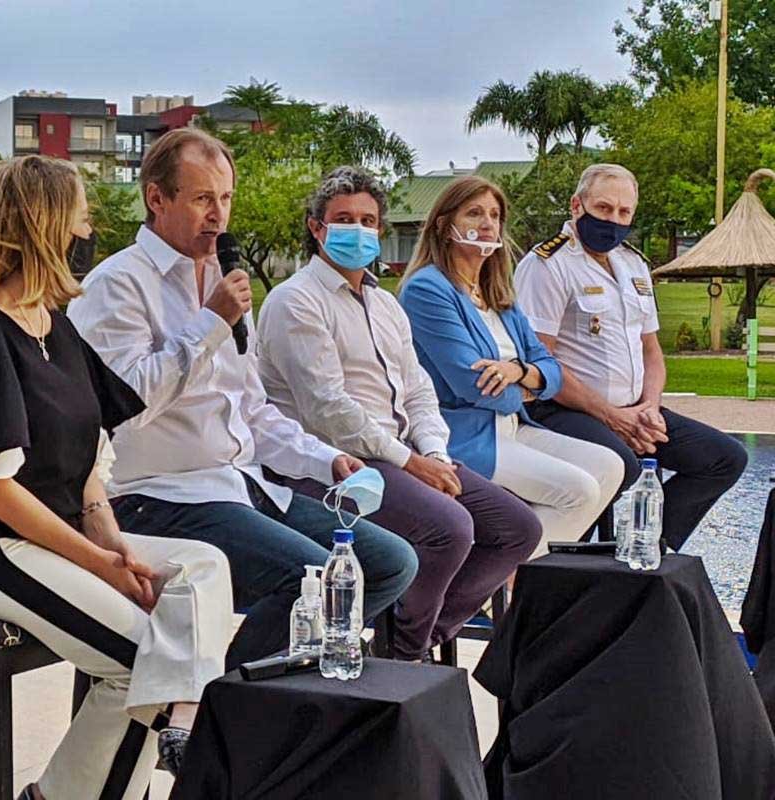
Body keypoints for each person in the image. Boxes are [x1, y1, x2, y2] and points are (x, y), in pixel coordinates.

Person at [0, 155, 233, 799]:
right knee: (143, 658)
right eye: (79, 212)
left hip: (53, 540)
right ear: (45, 224)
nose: (88, 225)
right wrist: (96, 561)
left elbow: (89, 459)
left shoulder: (53, 325)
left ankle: (169, 728)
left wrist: (111, 539)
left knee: (203, 568)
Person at [68, 128, 417, 669]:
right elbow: (128, 405)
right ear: (157, 199)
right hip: (160, 496)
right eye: (203, 198)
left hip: (239, 484)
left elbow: (251, 409)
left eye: (225, 198)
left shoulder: (225, 281)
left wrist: (326, 460)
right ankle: (220, 711)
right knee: (314, 577)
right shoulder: (117, 284)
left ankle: (278, 689)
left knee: (389, 561)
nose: (219, 215)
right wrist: (210, 323)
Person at [256, 166, 541, 661]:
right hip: (331, 465)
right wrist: (412, 464)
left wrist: (433, 452)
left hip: (401, 454)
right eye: (343, 219)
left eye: (368, 220)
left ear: (380, 231)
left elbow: (418, 390)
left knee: (518, 528)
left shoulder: (384, 305)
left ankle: (413, 638)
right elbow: (328, 410)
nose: (358, 230)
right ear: (316, 228)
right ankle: (405, 656)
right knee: (449, 528)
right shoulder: (295, 302)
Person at [515, 163, 748, 549]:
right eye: (604, 208)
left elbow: (651, 350)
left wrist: (650, 410)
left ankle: (642, 549)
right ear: (577, 206)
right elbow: (541, 361)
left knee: (724, 458)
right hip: (565, 410)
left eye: (624, 212)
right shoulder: (547, 265)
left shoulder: (633, 263)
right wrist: (611, 417)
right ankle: (565, 565)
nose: (614, 220)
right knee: (622, 465)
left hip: (635, 410)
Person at [398, 176, 624, 554]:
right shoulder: (428, 289)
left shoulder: (496, 291)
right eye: (474, 213)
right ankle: (502, 583)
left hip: (512, 427)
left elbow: (548, 365)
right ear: (443, 225)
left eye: (495, 215)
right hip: (466, 436)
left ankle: (512, 577)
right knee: (578, 490)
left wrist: (518, 373)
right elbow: (474, 387)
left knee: (609, 465)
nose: (487, 224)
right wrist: (527, 390)